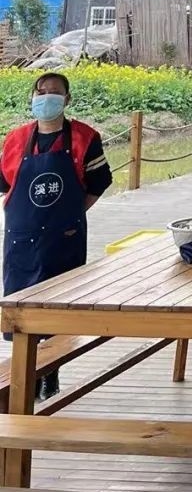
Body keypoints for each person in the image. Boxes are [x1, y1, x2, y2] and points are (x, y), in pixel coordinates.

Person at [0, 72, 113, 399]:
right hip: (22, 241)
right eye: (41, 91)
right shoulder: (16, 138)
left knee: (59, 308)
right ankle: (27, 375)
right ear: (32, 97)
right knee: (21, 310)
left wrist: (72, 214)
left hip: (63, 240)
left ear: (67, 99)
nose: (46, 97)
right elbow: (5, 184)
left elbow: (99, 182)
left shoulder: (84, 137)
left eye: (54, 92)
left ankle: (52, 372)